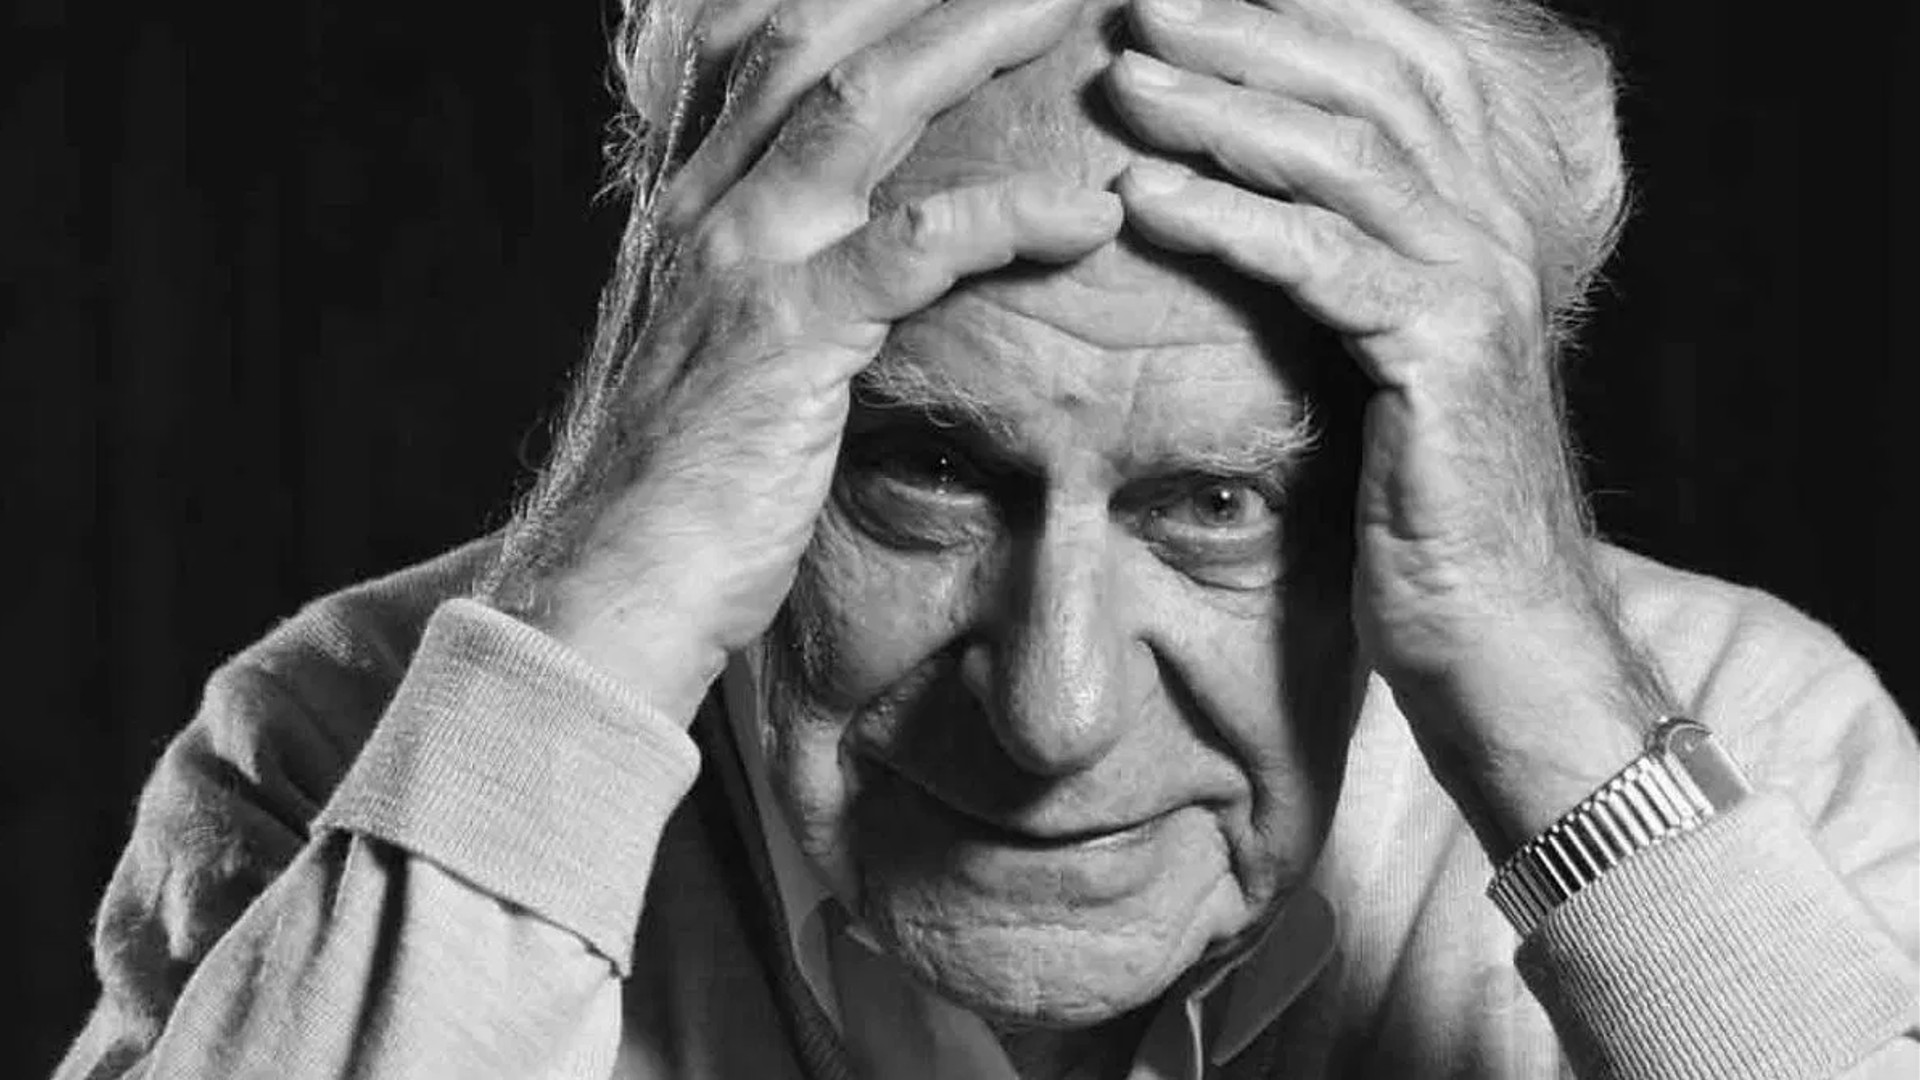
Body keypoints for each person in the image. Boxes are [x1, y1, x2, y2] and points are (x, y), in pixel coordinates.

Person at [55, 0, 1919, 1076]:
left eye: (1223, 503)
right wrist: (594, 607)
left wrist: (1567, 724)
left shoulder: (1748, 740)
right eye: (925, 469)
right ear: (705, 384)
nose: (1053, 712)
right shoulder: (358, 739)